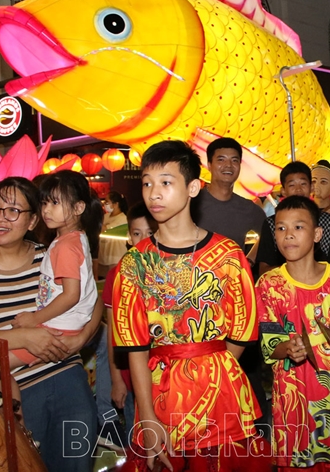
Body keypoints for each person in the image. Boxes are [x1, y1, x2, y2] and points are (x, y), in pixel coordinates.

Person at [112, 140, 270, 471]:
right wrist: (148, 415)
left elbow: (241, 332)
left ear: (193, 187)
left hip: (221, 393)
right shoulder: (135, 263)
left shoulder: (228, 255)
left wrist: (210, 373)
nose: (154, 193)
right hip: (159, 397)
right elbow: (135, 347)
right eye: (147, 183)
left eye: (166, 183)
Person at [0, 177, 102, 472]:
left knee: (75, 465)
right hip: (13, 392)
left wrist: (81, 339)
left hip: (68, 380)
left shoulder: (49, 254)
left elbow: (91, 302)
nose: (1, 218)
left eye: (13, 210)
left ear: (32, 220)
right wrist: (26, 338)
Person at [256, 196, 330, 470]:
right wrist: (288, 348)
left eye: (298, 227)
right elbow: (270, 345)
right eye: (281, 228)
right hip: (295, 399)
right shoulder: (269, 285)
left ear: (318, 234)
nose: (288, 235)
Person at [0, 170, 101, 408]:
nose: (46, 210)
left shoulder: (64, 247)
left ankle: (16, 421)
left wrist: (34, 319)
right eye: (45, 203)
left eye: (55, 203)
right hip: (65, 327)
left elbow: (71, 295)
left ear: (78, 208)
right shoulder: (75, 238)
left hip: (58, 330)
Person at [102, 202, 157, 446]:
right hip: (131, 376)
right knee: (140, 442)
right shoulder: (118, 274)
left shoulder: (172, 270)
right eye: (137, 233)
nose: (144, 240)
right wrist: (116, 380)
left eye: (150, 233)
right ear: (129, 236)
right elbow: (113, 331)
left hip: (169, 375)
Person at [256, 161, 330, 277]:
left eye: (303, 184)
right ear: (283, 191)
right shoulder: (272, 223)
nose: (298, 190)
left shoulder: (328, 221)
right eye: (292, 185)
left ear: (311, 187)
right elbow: (264, 270)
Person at [191, 137, 266, 254]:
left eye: (234, 160)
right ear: (209, 165)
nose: (228, 165)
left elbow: (269, 236)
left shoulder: (249, 209)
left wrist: (249, 261)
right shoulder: (192, 202)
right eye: (221, 160)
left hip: (232, 271)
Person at [99, 191, 129, 277]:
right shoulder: (106, 216)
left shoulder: (123, 218)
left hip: (116, 256)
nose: (105, 204)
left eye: (107, 202)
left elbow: (104, 229)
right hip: (104, 255)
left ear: (116, 204)